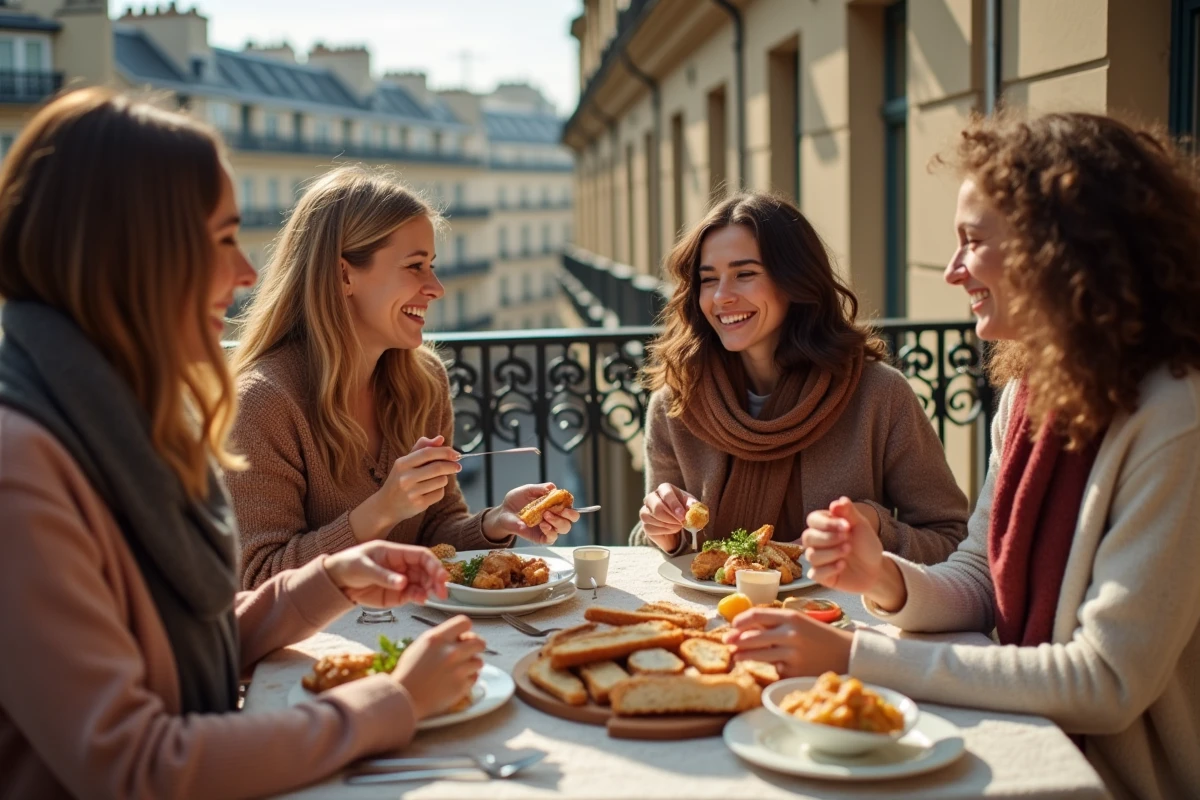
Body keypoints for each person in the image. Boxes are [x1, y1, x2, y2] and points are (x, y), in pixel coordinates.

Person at [0, 88, 487, 798]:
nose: (247, 275)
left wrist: (326, 582)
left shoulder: (107, 416)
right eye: (223, 239)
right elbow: (133, 765)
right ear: (134, 251)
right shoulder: (22, 468)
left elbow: (167, 646)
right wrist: (397, 703)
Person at [732, 112, 1200, 799]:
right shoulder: (1029, 394)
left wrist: (858, 655)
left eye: (973, 242)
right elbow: (983, 577)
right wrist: (883, 578)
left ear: (1060, 249)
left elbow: (1107, 682)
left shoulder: (1175, 417)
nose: (953, 271)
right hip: (1016, 734)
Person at [228, 165, 578, 589]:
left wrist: (495, 523)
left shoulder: (425, 383)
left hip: (412, 633)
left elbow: (435, 532)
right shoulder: (262, 402)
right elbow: (260, 579)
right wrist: (382, 510)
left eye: (431, 265)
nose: (435, 287)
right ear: (343, 276)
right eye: (415, 266)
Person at [635, 192, 968, 564]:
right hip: (711, 619)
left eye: (745, 274)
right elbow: (650, 547)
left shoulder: (879, 395)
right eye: (708, 280)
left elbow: (950, 538)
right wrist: (664, 532)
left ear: (794, 281)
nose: (721, 297)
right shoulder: (677, 401)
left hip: (837, 620)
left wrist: (873, 525)